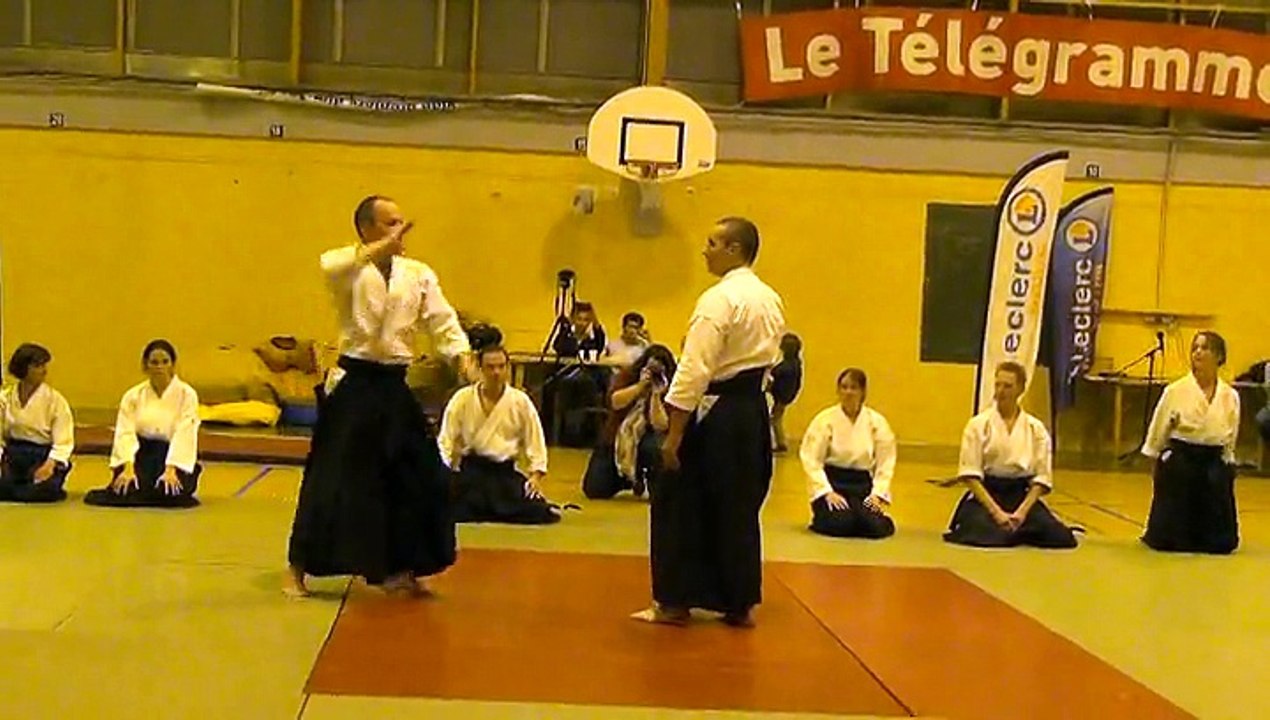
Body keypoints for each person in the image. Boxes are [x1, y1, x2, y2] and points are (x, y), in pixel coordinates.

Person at [284, 195, 474, 598]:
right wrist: (375, 252)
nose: (399, 231)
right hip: (356, 383)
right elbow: (327, 263)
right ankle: (297, 568)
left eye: (401, 222)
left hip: (393, 385)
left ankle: (401, 567)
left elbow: (442, 319)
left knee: (420, 474)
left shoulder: (417, 274)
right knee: (332, 477)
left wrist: (460, 355)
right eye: (389, 224)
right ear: (366, 229)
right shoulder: (348, 270)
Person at [632, 216, 786, 629]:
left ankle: (672, 602)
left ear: (735, 250)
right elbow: (773, 361)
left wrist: (674, 434)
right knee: (739, 507)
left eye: (713, 242)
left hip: (715, 412)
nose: (705, 249)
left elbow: (694, 371)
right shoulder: (770, 299)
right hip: (750, 411)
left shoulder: (718, 301)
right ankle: (738, 602)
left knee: (677, 500)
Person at [943, 361, 1077, 549]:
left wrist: (1021, 513)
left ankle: (1016, 528)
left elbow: (1041, 478)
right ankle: (1015, 532)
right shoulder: (978, 425)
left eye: (1007, 386)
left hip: (1020, 496)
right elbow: (970, 475)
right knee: (985, 532)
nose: (1001, 391)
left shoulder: (1035, 428)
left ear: (1020, 389)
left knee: (1061, 537)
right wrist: (997, 513)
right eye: (997, 384)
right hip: (988, 494)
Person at [1141, 330, 1241, 554]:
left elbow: (1231, 432)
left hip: (1213, 457)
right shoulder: (1175, 391)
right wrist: (1154, 457)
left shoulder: (1230, 395)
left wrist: (1228, 459)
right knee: (1172, 540)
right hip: (1182, 456)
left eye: (1204, 348)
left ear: (1219, 356)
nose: (1198, 353)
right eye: (1195, 348)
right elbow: (1158, 430)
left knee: (1220, 543)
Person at [440, 344, 559, 524]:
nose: (496, 372)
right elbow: (446, 440)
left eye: (501, 367)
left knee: (539, 511)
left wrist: (535, 476)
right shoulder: (462, 398)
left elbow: (535, 440)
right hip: (472, 472)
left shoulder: (520, 401)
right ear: (480, 369)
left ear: (508, 368)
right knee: (443, 507)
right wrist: (442, 473)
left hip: (503, 474)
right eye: (490, 367)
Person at [83, 340, 202, 509]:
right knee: (127, 488)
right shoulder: (133, 395)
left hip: (171, 455)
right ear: (145, 366)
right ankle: (145, 491)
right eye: (154, 362)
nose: (159, 367)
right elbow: (125, 432)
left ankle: (154, 491)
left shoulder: (187, 395)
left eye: (165, 362)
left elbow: (185, 432)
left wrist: (171, 469)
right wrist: (128, 467)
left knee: (170, 491)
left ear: (173, 365)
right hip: (141, 453)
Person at [800, 368, 896, 539]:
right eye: (844, 387)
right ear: (838, 391)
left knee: (874, 527)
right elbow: (811, 460)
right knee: (841, 523)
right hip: (833, 483)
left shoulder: (876, 422)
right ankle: (828, 516)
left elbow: (886, 462)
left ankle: (864, 516)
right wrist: (826, 491)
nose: (848, 392)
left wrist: (877, 494)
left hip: (862, 487)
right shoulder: (824, 420)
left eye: (853, 388)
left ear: (863, 392)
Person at [582, 344, 675, 500]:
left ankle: (648, 479)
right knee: (595, 489)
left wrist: (656, 396)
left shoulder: (671, 387)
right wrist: (640, 386)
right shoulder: (627, 376)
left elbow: (660, 424)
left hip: (649, 439)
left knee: (654, 447)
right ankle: (625, 478)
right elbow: (615, 402)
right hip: (617, 437)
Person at [0, 343, 74, 503]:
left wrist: (49, 465)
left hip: (43, 455)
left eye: (44, 365)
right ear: (23, 368)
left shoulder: (55, 401)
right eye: (38, 365)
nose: (44, 370)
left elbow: (63, 442)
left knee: (43, 489)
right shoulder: (5, 398)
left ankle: (24, 489)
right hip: (14, 455)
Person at [768, 332, 803, 452]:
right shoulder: (796, 364)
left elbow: (774, 373)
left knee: (775, 419)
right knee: (777, 417)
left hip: (781, 396)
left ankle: (781, 443)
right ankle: (780, 441)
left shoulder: (785, 367)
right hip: (787, 395)